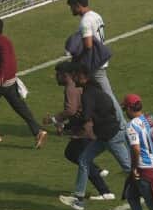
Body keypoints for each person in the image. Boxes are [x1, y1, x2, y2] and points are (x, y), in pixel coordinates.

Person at [59, 63, 132, 210]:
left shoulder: (88, 94)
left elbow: (86, 117)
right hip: (104, 136)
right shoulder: (94, 90)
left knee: (129, 169)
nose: (74, 79)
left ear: (84, 77)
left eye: (76, 76)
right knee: (84, 160)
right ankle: (78, 199)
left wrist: (66, 125)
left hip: (111, 137)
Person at [44, 62, 113, 199]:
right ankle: (104, 190)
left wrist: (54, 120)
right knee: (76, 155)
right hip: (86, 128)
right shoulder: (78, 87)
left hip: (84, 130)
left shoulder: (71, 88)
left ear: (65, 75)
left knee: (77, 156)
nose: (56, 77)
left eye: (57, 74)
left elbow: (71, 110)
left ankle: (96, 179)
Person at [0, 15, 45, 147]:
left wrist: (1, 76)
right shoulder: (1, 41)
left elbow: (6, 61)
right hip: (10, 81)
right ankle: (38, 132)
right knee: (20, 107)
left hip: (0, 82)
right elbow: (0, 61)